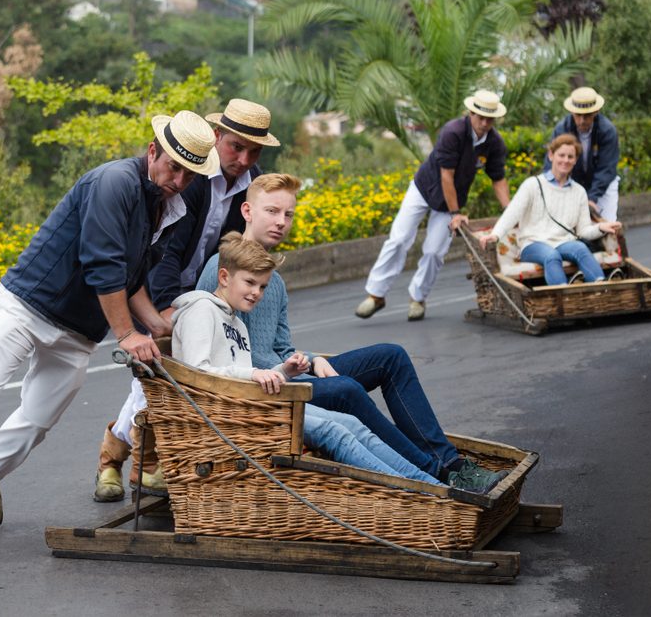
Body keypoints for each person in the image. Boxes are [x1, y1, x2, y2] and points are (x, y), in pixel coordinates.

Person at [0, 110, 220, 549]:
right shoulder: (114, 182)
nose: (179, 180)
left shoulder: (168, 204)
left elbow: (133, 276)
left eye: (190, 174)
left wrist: (157, 323)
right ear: (152, 151)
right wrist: (126, 335)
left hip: (77, 330)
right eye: (173, 168)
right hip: (26, 306)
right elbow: (103, 265)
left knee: (39, 418)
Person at [197, 174, 508, 492]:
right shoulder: (221, 269)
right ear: (247, 211)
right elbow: (214, 356)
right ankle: (438, 473)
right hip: (265, 389)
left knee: (391, 357)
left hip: (289, 374)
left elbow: (282, 346)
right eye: (272, 211)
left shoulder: (274, 281)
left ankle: (450, 462)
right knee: (345, 389)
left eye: (288, 214)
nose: (281, 221)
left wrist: (313, 360)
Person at [94, 99, 280, 502]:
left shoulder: (252, 180)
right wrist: (164, 310)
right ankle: (128, 461)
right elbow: (166, 251)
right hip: (159, 287)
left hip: (205, 292)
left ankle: (129, 457)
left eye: (254, 152)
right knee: (154, 375)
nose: (243, 160)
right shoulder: (191, 176)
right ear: (216, 137)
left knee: (174, 379)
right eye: (236, 147)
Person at [172, 233, 445, 484]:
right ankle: (425, 491)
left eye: (262, 286)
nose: (257, 292)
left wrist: (285, 370)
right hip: (232, 417)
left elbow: (245, 377)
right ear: (223, 277)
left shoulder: (237, 323)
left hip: (255, 405)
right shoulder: (201, 311)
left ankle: (430, 482)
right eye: (250, 283)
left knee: (351, 424)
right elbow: (197, 375)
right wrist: (254, 373)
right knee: (335, 431)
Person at [355, 89, 510, 321]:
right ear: (471, 113)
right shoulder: (453, 132)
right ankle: (376, 295)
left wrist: (510, 212)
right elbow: (447, 175)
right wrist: (456, 213)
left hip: (450, 201)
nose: (485, 123)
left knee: (434, 252)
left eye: (490, 119)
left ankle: (418, 298)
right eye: (481, 117)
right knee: (399, 239)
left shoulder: (494, 143)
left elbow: (498, 178)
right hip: (423, 189)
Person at [480, 134, 622, 285]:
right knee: (551, 255)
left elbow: (583, 231)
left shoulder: (579, 191)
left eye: (570, 157)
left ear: (575, 160)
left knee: (581, 248)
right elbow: (512, 213)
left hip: (563, 243)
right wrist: (495, 235)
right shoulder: (532, 185)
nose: (565, 160)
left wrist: (601, 227)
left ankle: (602, 286)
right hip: (532, 244)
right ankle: (563, 293)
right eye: (561, 155)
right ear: (551, 155)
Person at [543, 87, 621, 221]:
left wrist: (592, 198)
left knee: (606, 224)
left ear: (596, 112)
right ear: (572, 112)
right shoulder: (562, 129)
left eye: (587, 115)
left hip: (603, 183)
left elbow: (606, 168)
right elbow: (552, 164)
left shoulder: (607, 131)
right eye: (578, 115)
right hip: (573, 182)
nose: (582, 121)